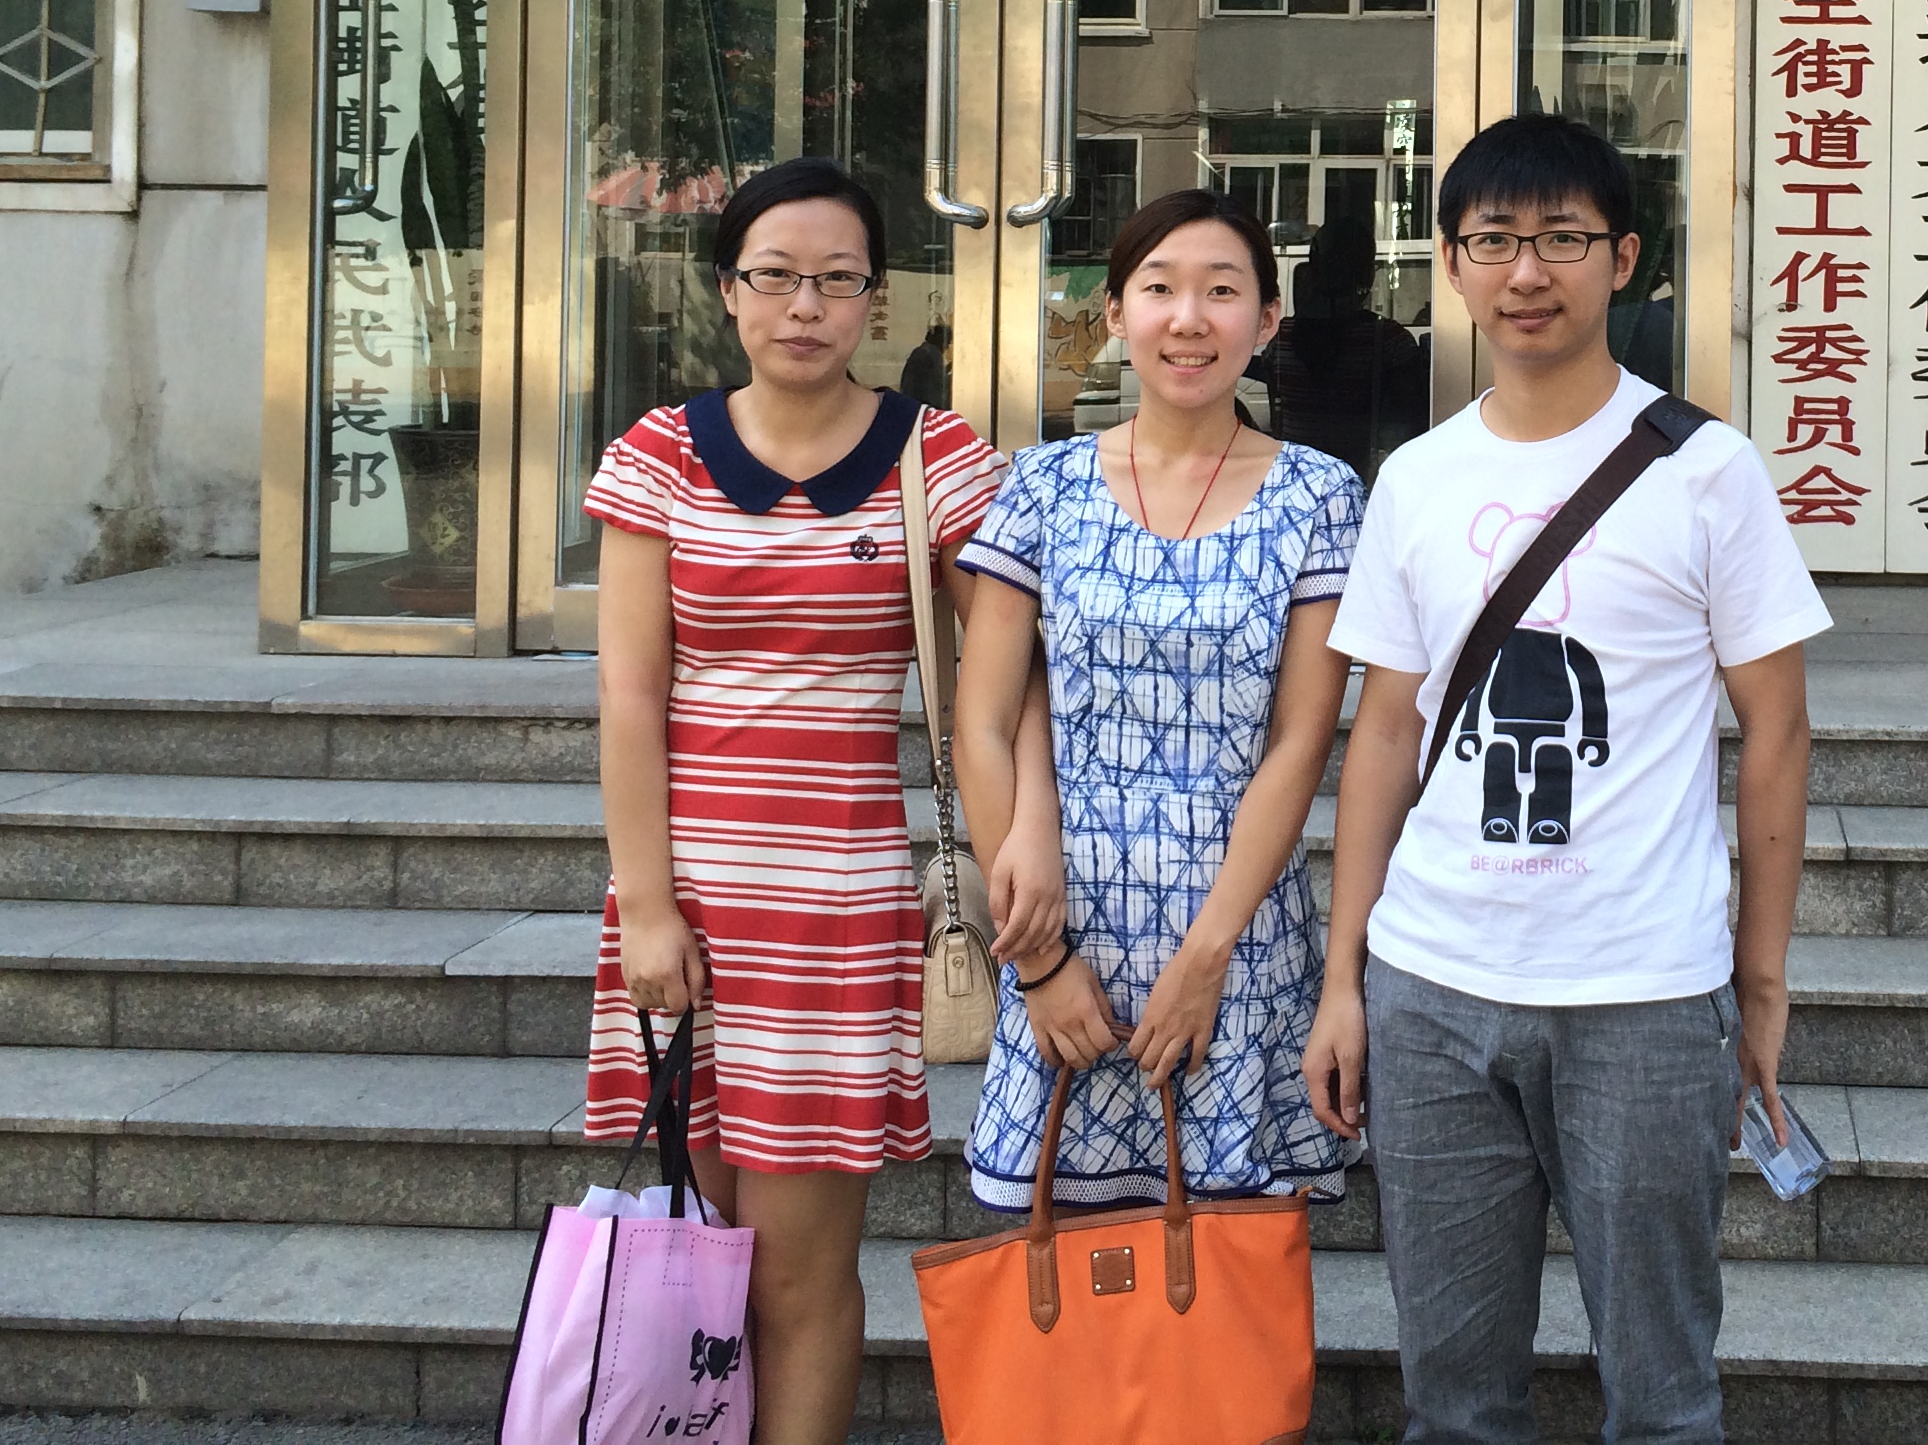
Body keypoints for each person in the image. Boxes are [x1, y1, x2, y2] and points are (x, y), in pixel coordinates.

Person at [1304, 112, 1827, 1445]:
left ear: (1625, 259)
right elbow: (1384, 734)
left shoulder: (1708, 471)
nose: (1526, 273)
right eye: (1494, 241)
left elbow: (1776, 731)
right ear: (1451, 262)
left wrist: (1759, 983)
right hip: (1431, 988)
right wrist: (1344, 981)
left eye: (1562, 240)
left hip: (1643, 995)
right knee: (1452, 1403)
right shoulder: (1417, 479)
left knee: (1665, 1401)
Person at [584, 156, 1008, 1445]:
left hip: (837, 914)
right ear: (728, 290)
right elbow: (630, 697)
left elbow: (1003, 685)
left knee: (795, 1277)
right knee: (697, 1257)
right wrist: (647, 908)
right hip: (690, 901)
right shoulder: (659, 455)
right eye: (775, 277)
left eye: (837, 280)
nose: (805, 307)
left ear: (877, 298)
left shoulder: (938, 459)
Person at [948, 187, 1364, 1219]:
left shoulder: (1318, 495)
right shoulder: (1041, 485)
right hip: (1063, 928)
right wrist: (1039, 963)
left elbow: (1300, 743)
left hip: (1238, 938)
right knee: (1061, 1284)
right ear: (1115, 315)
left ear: (1267, 321)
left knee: (1228, 1284)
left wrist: (1209, 957)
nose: (1189, 319)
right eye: (1159, 289)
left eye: (1222, 292)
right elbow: (984, 721)